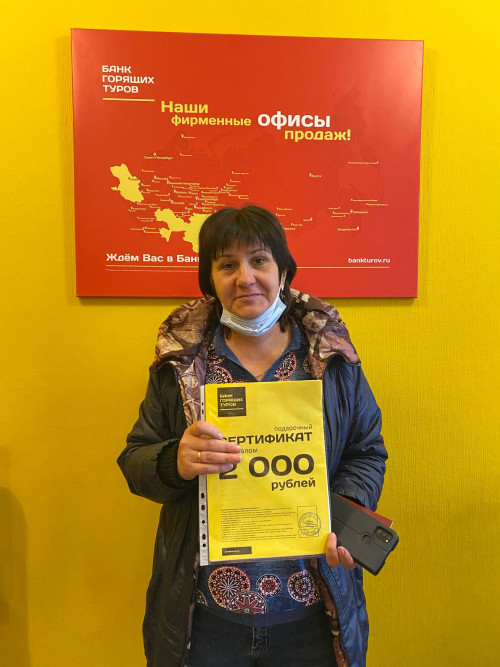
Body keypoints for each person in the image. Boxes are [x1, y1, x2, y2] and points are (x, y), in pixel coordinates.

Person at [118, 206, 387, 667]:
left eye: (259, 260)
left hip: (311, 616)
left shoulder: (329, 357)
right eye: (227, 265)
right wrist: (174, 461)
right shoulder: (183, 362)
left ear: (283, 270)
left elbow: (366, 451)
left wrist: (342, 513)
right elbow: (134, 459)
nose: (245, 278)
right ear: (210, 279)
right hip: (207, 620)